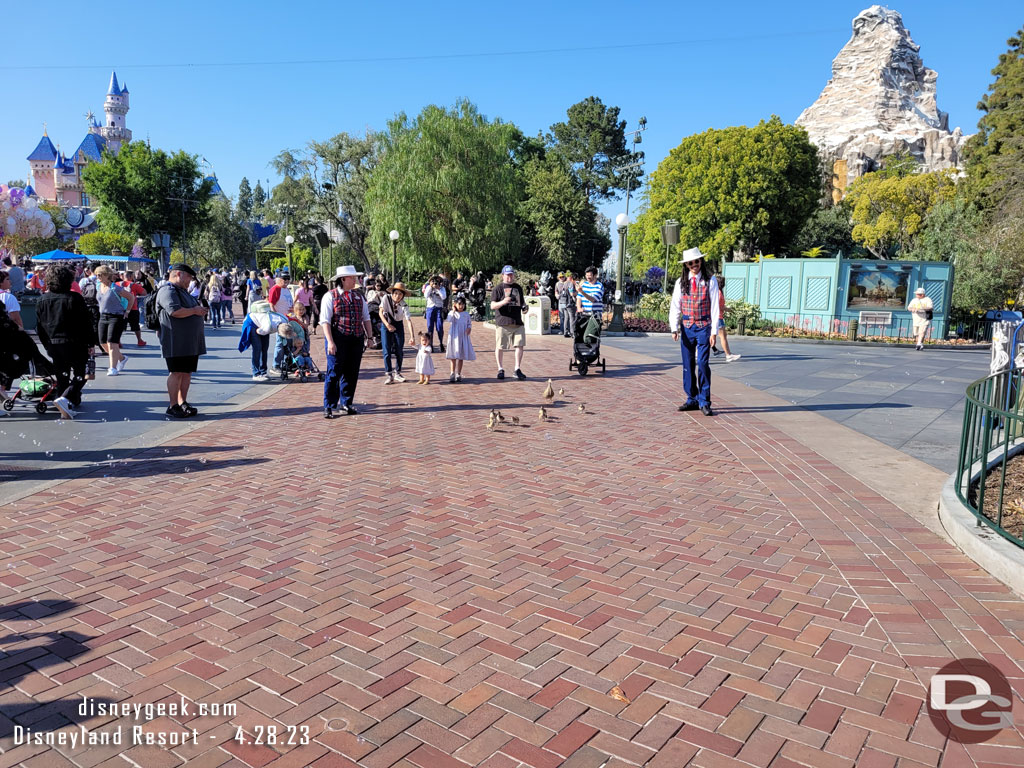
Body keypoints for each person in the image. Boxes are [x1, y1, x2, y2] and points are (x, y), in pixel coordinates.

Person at [34, 265, 93, 419]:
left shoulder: (42, 300)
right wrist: (90, 343)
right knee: (81, 373)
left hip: (53, 342)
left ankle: (63, 401)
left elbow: (39, 326)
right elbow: (85, 323)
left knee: (62, 374)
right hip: (74, 342)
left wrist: (46, 344)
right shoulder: (74, 298)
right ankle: (65, 398)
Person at [670, 247, 720, 416]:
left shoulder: (709, 280)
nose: (694, 265)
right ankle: (691, 398)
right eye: (690, 263)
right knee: (687, 364)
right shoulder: (680, 282)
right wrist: (674, 327)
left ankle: (704, 400)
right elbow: (675, 305)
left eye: (696, 261)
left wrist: (714, 332)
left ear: (701, 262)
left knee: (703, 363)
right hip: (687, 327)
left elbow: (715, 307)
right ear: (686, 265)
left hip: (704, 327)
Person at [320, 265, 372, 419]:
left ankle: (346, 403)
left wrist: (369, 337)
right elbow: (325, 321)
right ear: (343, 279)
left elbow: (366, 318)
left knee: (351, 372)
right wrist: (330, 341)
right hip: (338, 338)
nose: (355, 279)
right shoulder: (330, 296)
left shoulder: (358, 296)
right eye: (352, 277)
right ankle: (329, 405)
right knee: (334, 372)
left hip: (355, 339)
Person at [155, 263, 208, 418]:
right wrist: (195, 311)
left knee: (186, 373)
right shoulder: (167, 290)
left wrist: (199, 311)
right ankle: (173, 405)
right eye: (189, 277)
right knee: (176, 372)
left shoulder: (182, 291)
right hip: (175, 341)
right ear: (179, 274)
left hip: (189, 342)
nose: (190, 281)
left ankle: (182, 402)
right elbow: (174, 311)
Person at [94, 265, 133, 376]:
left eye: (100, 275)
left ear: (107, 276)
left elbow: (131, 297)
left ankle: (112, 368)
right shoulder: (98, 286)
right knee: (103, 343)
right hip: (103, 316)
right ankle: (122, 358)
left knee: (112, 343)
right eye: (97, 275)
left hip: (116, 316)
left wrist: (127, 312)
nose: (98, 277)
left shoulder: (115, 288)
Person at [490, 265, 528, 380]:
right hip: (503, 321)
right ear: (503, 275)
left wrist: (525, 308)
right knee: (500, 346)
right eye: (507, 275)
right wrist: (503, 302)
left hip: (517, 321)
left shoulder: (518, 288)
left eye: (511, 275)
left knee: (520, 345)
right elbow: (492, 305)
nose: (510, 277)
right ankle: (500, 369)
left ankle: (517, 369)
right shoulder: (498, 288)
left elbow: (522, 303)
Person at [379, 282, 416, 384]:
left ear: (403, 295)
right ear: (392, 292)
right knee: (386, 350)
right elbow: (380, 312)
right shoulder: (386, 298)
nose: (397, 296)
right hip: (386, 324)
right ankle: (389, 374)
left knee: (399, 349)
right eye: (396, 293)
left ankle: (398, 373)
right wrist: (387, 325)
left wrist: (412, 336)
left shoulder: (404, 305)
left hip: (398, 325)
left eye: (400, 294)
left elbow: (408, 320)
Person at [445, 294, 475, 383]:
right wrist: (453, 311)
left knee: (460, 356)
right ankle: (452, 373)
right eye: (459, 304)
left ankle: (459, 373)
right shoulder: (453, 313)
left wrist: (469, 328)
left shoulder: (466, 314)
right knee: (453, 356)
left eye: (463, 304)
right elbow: (449, 319)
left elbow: (469, 323)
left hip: (463, 336)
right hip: (454, 336)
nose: (461, 306)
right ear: (455, 304)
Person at [710, 275, 740, 363]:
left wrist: (728, 309)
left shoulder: (716, 292)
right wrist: (727, 309)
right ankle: (728, 355)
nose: (724, 284)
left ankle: (698, 353)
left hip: (716, 316)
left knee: (712, 337)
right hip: (718, 317)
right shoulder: (718, 293)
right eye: (723, 282)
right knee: (723, 336)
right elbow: (719, 306)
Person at [119, 272, 148, 346]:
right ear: (131, 276)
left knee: (120, 326)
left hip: (121, 308)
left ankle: (118, 341)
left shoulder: (117, 284)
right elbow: (144, 292)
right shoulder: (134, 285)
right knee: (135, 326)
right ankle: (139, 340)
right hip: (133, 307)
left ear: (123, 276)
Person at [422, 276, 447, 352]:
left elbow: (443, 297)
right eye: (433, 281)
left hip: (439, 308)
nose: (435, 283)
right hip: (430, 308)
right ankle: (430, 344)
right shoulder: (428, 287)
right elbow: (426, 296)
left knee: (439, 327)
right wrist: (430, 287)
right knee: (430, 327)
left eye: (437, 281)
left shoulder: (442, 288)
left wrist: (438, 289)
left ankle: (441, 343)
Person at [559, 272, 577, 337]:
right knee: (572, 317)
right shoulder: (571, 283)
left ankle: (565, 332)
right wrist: (578, 292)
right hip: (570, 303)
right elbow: (572, 293)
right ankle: (572, 333)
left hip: (564, 302)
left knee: (566, 317)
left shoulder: (565, 283)